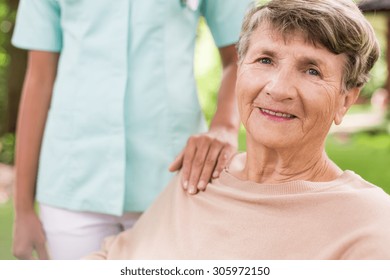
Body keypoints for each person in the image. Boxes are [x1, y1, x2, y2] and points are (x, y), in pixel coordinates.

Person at [86, 0, 390, 260]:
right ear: (240, 69)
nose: (278, 88)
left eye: (312, 70)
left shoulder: (369, 223)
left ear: (346, 99)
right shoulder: (200, 175)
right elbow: (114, 260)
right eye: (265, 60)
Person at [11, 0, 252, 259]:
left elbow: (241, 55)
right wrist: (23, 208)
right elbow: (38, 78)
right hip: (71, 183)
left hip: (175, 181)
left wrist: (225, 127)